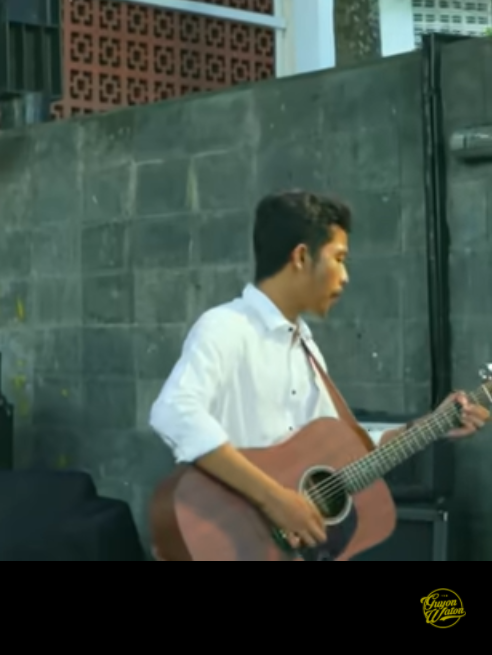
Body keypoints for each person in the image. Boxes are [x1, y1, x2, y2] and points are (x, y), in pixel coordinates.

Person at [148, 190, 487, 553]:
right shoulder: (227, 327)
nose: (345, 277)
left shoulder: (305, 347)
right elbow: (173, 412)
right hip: (226, 540)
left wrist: (432, 425)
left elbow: (349, 452)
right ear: (301, 257)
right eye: (338, 259)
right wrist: (275, 499)